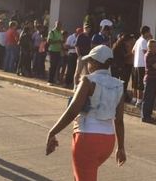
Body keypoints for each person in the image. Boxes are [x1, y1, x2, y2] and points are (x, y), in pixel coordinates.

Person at [45, 45, 126, 181]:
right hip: (108, 141)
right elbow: (119, 120)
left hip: (87, 139)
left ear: (94, 63)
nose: (88, 64)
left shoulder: (88, 81)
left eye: (89, 61)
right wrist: (121, 147)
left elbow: (72, 111)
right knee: (82, 175)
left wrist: (52, 132)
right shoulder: (118, 84)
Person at [131, 26, 150, 107]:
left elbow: (133, 51)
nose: (150, 33)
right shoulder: (144, 41)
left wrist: (137, 57)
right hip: (142, 65)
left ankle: (134, 99)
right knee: (140, 83)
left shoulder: (138, 40)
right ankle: (139, 101)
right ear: (146, 32)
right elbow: (145, 52)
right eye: (149, 32)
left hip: (136, 64)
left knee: (135, 83)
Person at [112, 34, 133, 101]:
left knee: (119, 82)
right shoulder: (119, 46)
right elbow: (122, 56)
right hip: (117, 66)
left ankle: (119, 96)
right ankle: (118, 97)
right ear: (125, 41)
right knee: (118, 82)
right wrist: (130, 53)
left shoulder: (119, 45)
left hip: (118, 66)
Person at [47, 21, 64, 85]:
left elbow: (61, 42)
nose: (59, 26)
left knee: (57, 66)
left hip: (58, 51)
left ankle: (54, 79)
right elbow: (49, 41)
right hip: (52, 51)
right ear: (56, 25)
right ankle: (50, 81)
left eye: (60, 25)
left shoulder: (60, 33)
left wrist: (63, 49)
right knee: (52, 66)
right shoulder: (52, 32)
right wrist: (57, 41)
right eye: (58, 25)